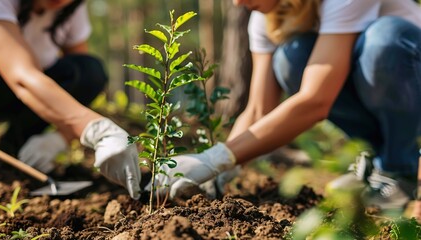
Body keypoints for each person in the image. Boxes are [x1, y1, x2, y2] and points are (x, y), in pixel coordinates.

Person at [152, 0, 421, 214]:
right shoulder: (264, 18)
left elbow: (316, 100)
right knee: (291, 59)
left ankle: (399, 167)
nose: (236, 3)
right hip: (383, 98)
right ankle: (380, 162)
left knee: (383, 43)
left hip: (410, 78)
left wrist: (213, 159)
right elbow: (258, 109)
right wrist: (219, 170)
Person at [0, 0, 141, 199]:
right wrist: (96, 128)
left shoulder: (71, 9)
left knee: (89, 71)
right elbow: (22, 77)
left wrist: (62, 137)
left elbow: (81, 82)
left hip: (31, 97)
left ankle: (14, 153)